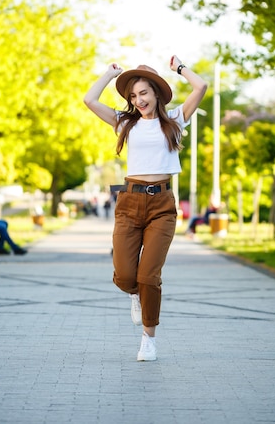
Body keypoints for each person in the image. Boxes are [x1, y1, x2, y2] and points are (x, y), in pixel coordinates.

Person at [84, 56, 207, 361]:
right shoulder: (126, 123)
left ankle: (148, 339)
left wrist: (179, 68)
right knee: (127, 276)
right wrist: (109, 74)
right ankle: (135, 293)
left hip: (161, 207)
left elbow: (201, 85)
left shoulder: (176, 120)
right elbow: (89, 99)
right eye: (133, 96)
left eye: (143, 93)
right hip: (129, 202)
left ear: (156, 93)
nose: (138, 100)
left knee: (149, 275)